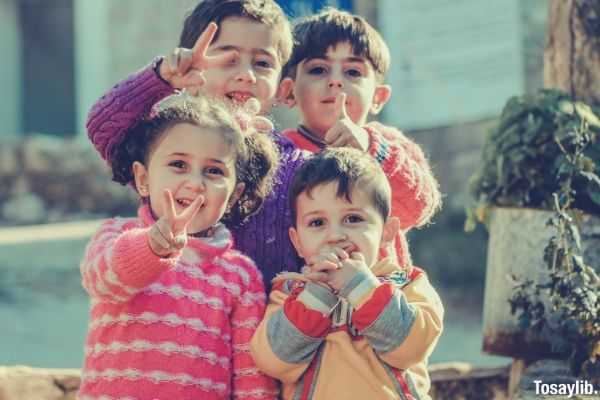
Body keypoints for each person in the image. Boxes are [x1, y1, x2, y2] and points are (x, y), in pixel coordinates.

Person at [87, 0, 305, 287]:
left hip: (261, 323)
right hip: (175, 317)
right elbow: (104, 125)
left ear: (282, 85)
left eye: (262, 63)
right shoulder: (169, 141)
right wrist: (162, 79)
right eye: (228, 59)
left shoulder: (299, 166)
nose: (246, 74)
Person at [78, 94, 279, 400]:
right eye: (178, 164)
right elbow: (104, 280)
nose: (195, 182)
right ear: (143, 179)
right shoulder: (116, 235)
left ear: (235, 194)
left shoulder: (239, 275)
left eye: (214, 171)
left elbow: (251, 377)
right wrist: (153, 246)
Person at [250, 148, 444, 400]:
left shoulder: (406, 283)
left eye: (353, 219)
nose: (335, 236)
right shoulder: (290, 294)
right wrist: (317, 295)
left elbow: (412, 348)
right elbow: (273, 362)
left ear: (387, 232)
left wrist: (360, 287)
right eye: (317, 223)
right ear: (297, 242)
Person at [279, 8, 441, 269]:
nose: (335, 81)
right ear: (287, 92)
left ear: (378, 97)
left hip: (383, 295)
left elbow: (418, 207)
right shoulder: (279, 153)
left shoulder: (388, 144)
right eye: (318, 69)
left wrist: (370, 148)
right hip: (310, 295)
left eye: (352, 72)